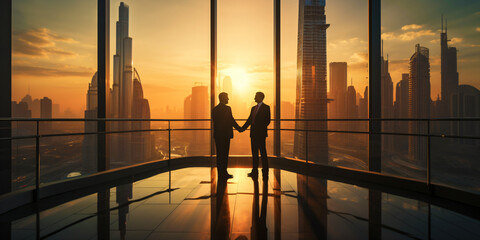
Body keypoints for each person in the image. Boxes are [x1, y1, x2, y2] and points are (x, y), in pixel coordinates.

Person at [212, 92, 243, 179]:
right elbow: (231, 120)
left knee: (219, 155)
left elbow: (216, 122)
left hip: (218, 135)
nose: (228, 99)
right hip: (225, 135)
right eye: (227, 98)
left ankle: (220, 174)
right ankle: (224, 173)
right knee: (225, 155)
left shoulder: (215, 109)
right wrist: (240, 129)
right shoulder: (227, 108)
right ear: (223, 98)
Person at [242, 92, 271, 178]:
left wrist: (259, 126)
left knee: (263, 153)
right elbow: (249, 120)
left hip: (261, 134)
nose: (254, 98)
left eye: (256, 96)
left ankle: (265, 172)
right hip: (253, 134)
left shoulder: (266, 108)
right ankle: (254, 171)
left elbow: (267, 121)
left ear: (260, 97)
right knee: (254, 153)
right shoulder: (253, 108)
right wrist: (242, 128)